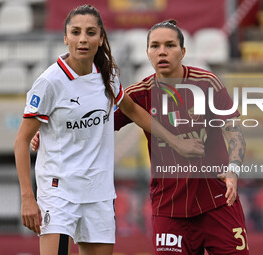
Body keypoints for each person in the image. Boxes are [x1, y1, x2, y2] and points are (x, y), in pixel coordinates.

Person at [31, 18, 248, 254]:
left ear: (183, 51)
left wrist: (233, 168)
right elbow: (91, 124)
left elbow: (234, 132)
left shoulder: (208, 84)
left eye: (170, 46)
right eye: (155, 46)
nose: (162, 52)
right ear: (147, 52)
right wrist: (46, 133)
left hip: (218, 202)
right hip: (170, 210)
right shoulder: (138, 96)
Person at [14, 6, 198, 255]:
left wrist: (177, 142)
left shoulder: (107, 75)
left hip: (98, 193)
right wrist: (27, 197)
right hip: (59, 194)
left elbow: (133, 111)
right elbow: (22, 140)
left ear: (101, 38)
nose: (82, 39)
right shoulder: (49, 83)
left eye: (90, 32)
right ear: (65, 37)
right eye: (75, 32)